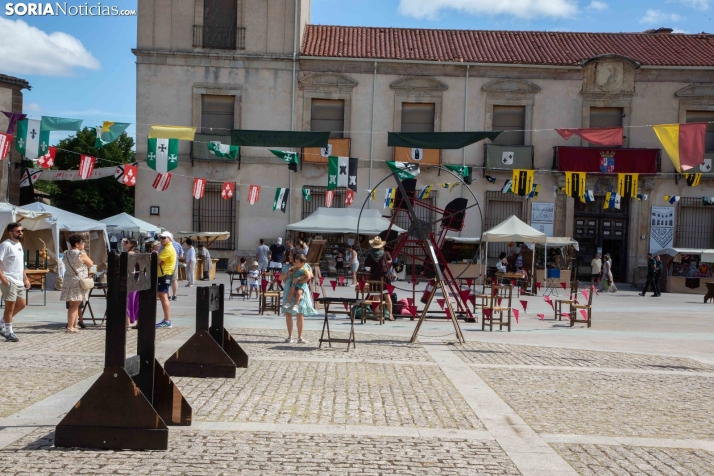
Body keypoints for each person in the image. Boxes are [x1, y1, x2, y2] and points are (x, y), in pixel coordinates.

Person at [0, 223, 31, 342]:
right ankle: (9, 332)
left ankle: (1, 323)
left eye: (22, 230)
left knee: (22, 304)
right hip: (9, 279)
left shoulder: (18, 245)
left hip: (19, 280)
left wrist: (26, 279)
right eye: (18, 231)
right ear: (10, 233)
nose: (21, 233)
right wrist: (3, 279)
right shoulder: (5, 245)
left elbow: (20, 265)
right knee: (10, 306)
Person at [280, 249, 317, 343]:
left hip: (301, 289)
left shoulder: (304, 264)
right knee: (288, 313)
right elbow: (280, 278)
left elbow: (310, 275)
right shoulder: (287, 266)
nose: (289, 256)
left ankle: (300, 337)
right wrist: (288, 273)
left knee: (300, 314)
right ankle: (290, 336)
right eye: (288, 255)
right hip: (289, 289)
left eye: (291, 255)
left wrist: (300, 278)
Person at [61, 234, 94, 334]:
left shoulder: (66, 253)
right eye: (82, 242)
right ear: (77, 244)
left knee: (73, 304)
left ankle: (74, 325)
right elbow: (91, 264)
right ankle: (70, 327)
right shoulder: (81, 254)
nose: (84, 244)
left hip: (68, 280)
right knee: (75, 305)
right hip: (77, 281)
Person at [364, 236, 394, 321]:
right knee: (387, 296)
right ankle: (391, 315)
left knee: (376, 296)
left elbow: (367, 268)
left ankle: (377, 316)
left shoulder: (370, 255)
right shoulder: (385, 253)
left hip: (374, 278)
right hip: (384, 278)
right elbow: (389, 261)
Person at [156, 232, 177, 328]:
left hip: (165, 274)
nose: (161, 239)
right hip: (164, 274)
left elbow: (157, 261)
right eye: (160, 238)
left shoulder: (168, 249)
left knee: (163, 296)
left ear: (169, 238)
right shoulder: (166, 248)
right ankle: (166, 320)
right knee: (161, 295)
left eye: (163, 238)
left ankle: (167, 321)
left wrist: (158, 260)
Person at [122, 238, 140, 329]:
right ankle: (136, 323)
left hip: (130, 278)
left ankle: (127, 324)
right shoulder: (138, 252)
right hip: (137, 279)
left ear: (132, 244)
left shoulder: (131, 253)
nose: (124, 244)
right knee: (136, 301)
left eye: (126, 242)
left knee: (128, 301)